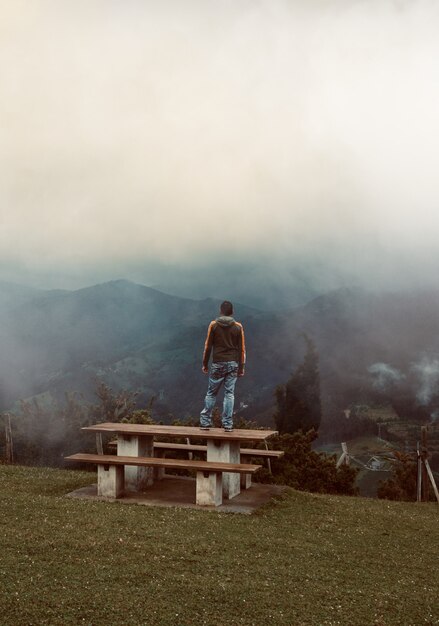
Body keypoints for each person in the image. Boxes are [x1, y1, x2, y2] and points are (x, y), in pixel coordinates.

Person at [199, 300, 246, 431]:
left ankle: (205, 422)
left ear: (220, 311)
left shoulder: (213, 325)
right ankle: (228, 424)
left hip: (217, 363)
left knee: (211, 393)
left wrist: (205, 363)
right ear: (232, 312)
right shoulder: (238, 327)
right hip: (232, 363)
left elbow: (208, 346)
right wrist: (241, 367)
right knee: (229, 393)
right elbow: (242, 349)